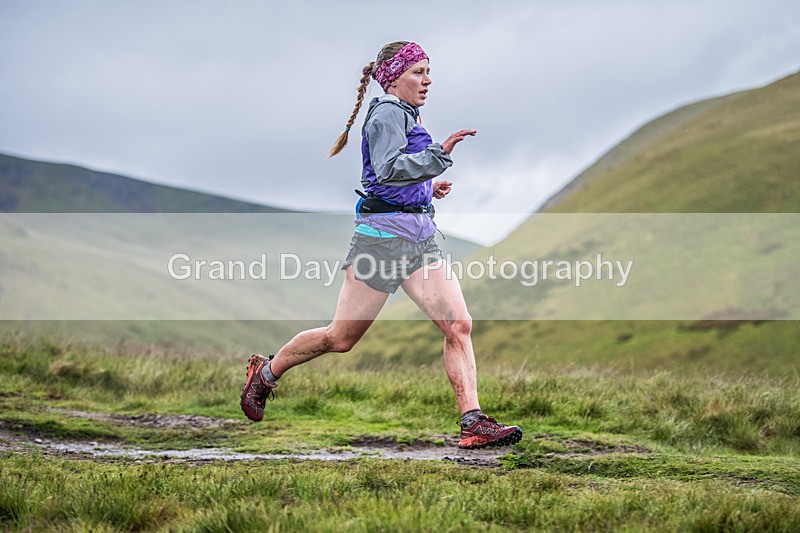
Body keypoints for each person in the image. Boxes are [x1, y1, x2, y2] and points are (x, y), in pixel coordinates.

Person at [241, 41, 522, 449]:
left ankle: (472, 422)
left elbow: (390, 177)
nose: (427, 80)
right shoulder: (388, 112)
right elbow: (388, 170)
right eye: (418, 72)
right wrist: (439, 155)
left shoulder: (405, 113)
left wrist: (426, 189)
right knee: (340, 339)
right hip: (381, 243)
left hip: (420, 241)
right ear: (393, 78)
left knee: (458, 325)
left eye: (428, 72)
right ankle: (265, 374)